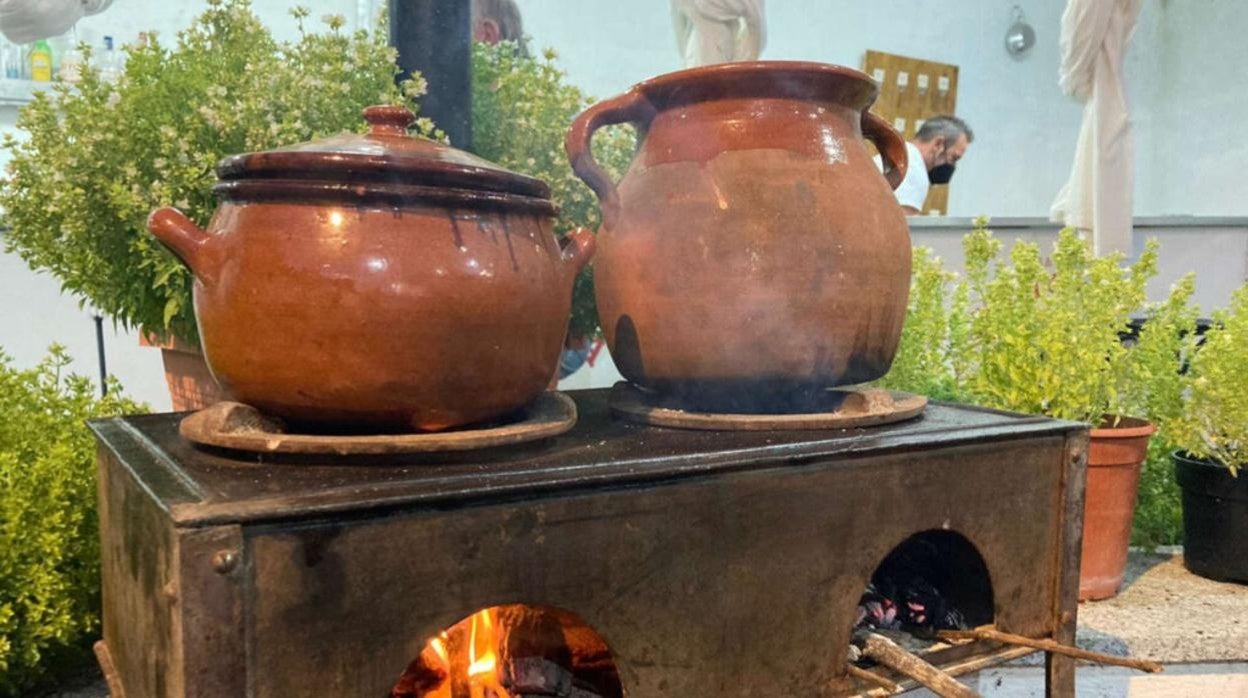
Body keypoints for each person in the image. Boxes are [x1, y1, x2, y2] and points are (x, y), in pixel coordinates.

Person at [880, 115, 974, 216]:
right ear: (938, 144)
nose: (952, 165)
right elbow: (899, 225)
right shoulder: (913, 170)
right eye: (953, 158)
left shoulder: (900, 155)